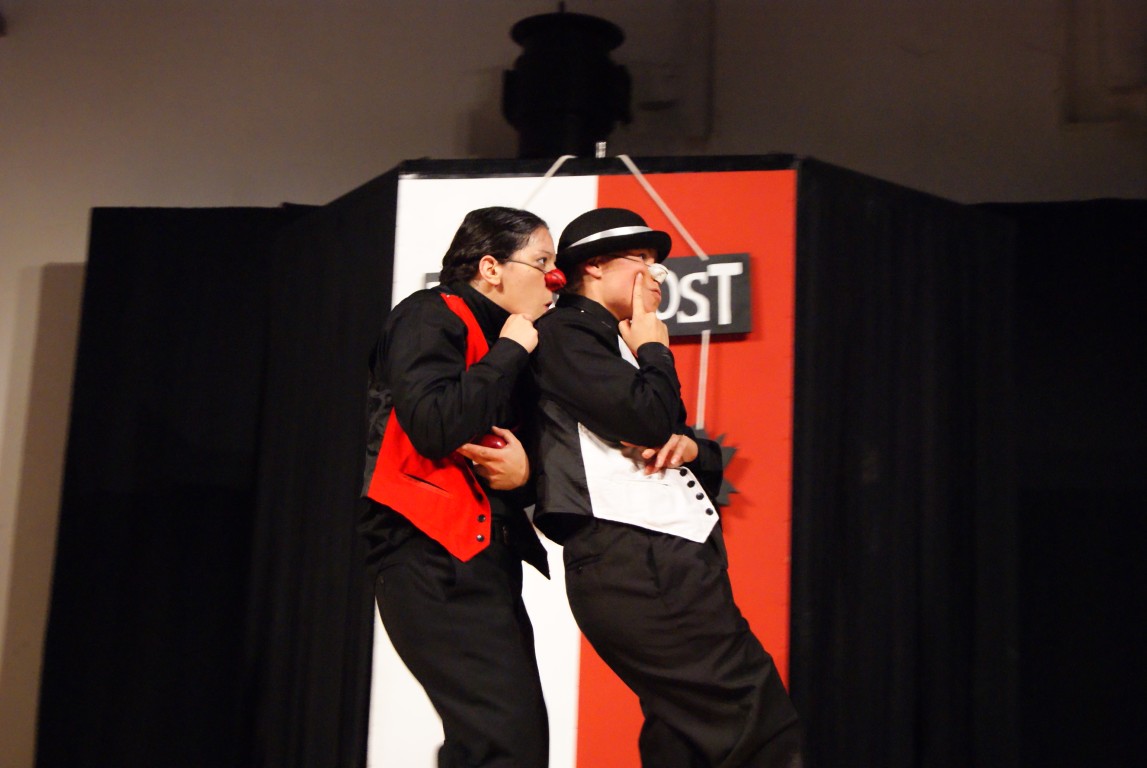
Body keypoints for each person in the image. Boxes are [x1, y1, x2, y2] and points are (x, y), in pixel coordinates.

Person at [530, 208, 803, 767]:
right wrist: (655, 348)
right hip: (638, 558)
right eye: (642, 261)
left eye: (659, 264)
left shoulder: (614, 340)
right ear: (594, 266)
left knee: (683, 735)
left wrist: (693, 449)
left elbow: (668, 438)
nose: (657, 276)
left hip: (662, 557)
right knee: (755, 721)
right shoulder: (567, 333)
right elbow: (650, 421)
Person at [359, 206, 565, 768]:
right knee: (503, 743)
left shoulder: (516, 342)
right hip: (430, 554)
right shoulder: (430, 315)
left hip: (482, 558)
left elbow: (511, 453)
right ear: (491, 268)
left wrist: (523, 475)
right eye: (542, 262)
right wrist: (512, 348)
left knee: (510, 743)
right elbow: (435, 426)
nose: (554, 279)